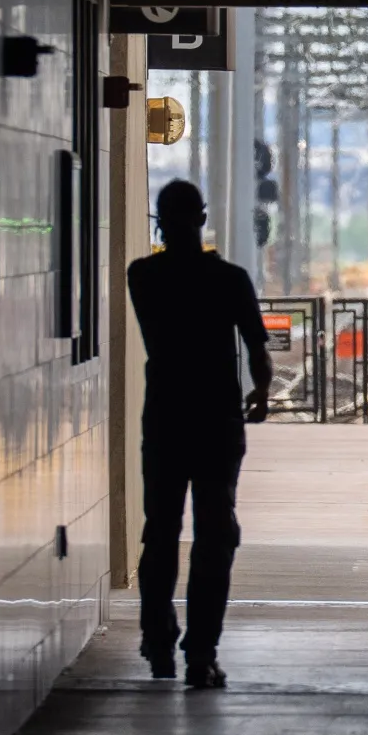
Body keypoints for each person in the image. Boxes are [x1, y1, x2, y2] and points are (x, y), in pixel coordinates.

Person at [127, 179, 272, 688]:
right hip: (216, 421)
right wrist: (262, 392)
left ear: (159, 223)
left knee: (160, 531)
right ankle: (201, 652)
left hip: (164, 419)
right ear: (202, 218)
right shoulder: (229, 279)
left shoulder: (141, 276)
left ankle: (158, 641)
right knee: (215, 535)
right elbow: (256, 345)